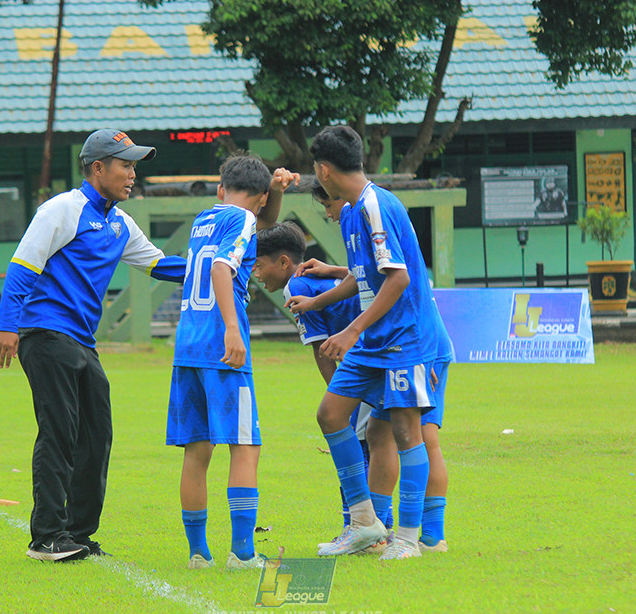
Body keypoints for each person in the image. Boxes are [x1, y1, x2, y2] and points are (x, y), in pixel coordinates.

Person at [0, 129, 186, 562]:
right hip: (44, 334)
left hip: (81, 340)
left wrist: (215, 268)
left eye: (134, 165)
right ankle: (45, 538)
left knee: (97, 436)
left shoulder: (120, 222)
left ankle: (76, 534)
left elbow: (158, 263)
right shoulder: (62, 209)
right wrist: (7, 327)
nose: (132, 174)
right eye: (125, 164)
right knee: (60, 432)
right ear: (98, 168)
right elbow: (23, 267)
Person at [287, 125, 439, 560]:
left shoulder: (375, 206)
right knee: (332, 415)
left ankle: (408, 539)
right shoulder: (353, 210)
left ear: (324, 169)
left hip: (403, 338)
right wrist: (318, 300)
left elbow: (399, 277)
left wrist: (350, 330)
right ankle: (365, 524)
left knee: (407, 432)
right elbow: (363, 276)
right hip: (374, 339)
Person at [252, 214, 394, 552]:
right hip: (383, 352)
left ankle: (360, 528)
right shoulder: (312, 281)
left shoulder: (297, 288)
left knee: (358, 444)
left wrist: (340, 397)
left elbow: (321, 351)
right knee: (383, 439)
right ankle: (380, 528)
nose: (255, 274)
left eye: (258, 265)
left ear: (284, 262)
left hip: (366, 360)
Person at [166, 154, 280, 571]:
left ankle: (198, 553)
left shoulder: (205, 219)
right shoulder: (246, 220)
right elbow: (221, 267)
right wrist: (233, 327)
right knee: (246, 446)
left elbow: (249, 231)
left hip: (187, 347)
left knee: (196, 450)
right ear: (262, 198)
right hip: (221, 346)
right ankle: (244, 553)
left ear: (219, 189)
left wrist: (276, 192)